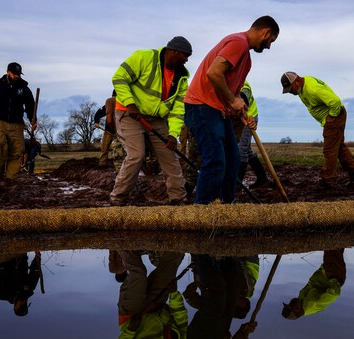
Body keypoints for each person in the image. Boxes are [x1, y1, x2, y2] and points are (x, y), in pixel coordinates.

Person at [184, 16, 279, 204]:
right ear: (266, 32)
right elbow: (213, 73)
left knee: (233, 158)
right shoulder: (238, 42)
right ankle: (202, 209)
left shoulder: (247, 60)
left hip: (218, 109)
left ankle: (227, 206)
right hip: (201, 105)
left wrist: (242, 114)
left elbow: (233, 94)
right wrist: (233, 100)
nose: (269, 46)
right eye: (271, 41)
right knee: (215, 161)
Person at [109, 36, 193, 206]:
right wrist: (130, 103)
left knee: (170, 155)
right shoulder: (144, 57)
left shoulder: (182, 79)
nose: (186, 60)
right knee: (137, 155)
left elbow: (177, 111)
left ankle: (178, 199)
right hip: (130, 113)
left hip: (157, 119)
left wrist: (172, 135)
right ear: (174, 52)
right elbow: (119, 78)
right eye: (185, 56)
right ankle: (118, 199)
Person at [114, 250, 193, 339]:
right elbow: (180, 315)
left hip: (132, 314)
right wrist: (173, 294)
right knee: (173, 259)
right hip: (157, 303)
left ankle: (121, 243)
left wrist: (131, 330)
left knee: (138, 274)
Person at [281, 72, 354, 188]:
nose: (291, 92)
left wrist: (330, 118)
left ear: (297, 82)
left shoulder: (314, 89)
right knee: (339, 148)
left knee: (329, 151)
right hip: (332, 118)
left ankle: (327, 181)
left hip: (335, 117)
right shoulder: (302, 87)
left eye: (291, 89)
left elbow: (335, 102)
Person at [281, 249, 346, 320]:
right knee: (332, 245)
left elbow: (311, 283)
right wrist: (332, 278)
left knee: (335, 247)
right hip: (333, 274)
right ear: (296, 311)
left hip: (326, 269)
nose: (290, 302)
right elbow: (334, 294)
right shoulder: (314, 304)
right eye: (290, 305)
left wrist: (323, 268)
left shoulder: (300, 301)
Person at [0, 252, 41, 316]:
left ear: (15, 307)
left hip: (4, 260)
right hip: (21, 257)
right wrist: (37, 257)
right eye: (24, 305)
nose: (22, 303)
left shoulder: (1, 294)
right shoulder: (29, 289)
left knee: (4, 247)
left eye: (20, 306)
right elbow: (35, 272)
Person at [235, 81, 268, 187]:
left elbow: (242, 101)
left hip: (249, 118)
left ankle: (237, 184)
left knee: (242, 149)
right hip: (236, 119)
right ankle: (262, 178)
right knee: (247, 149)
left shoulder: (244, 86)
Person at [94, 90, 118, 167]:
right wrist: (96, 121)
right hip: (114, 129)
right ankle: (102, 164)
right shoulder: (111, 103)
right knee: (105, 147)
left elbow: (98, 112)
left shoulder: (110, 102)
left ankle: (102, 164)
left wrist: (96, 121)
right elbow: (99, 113)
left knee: (105, 147)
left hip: (112, 129)